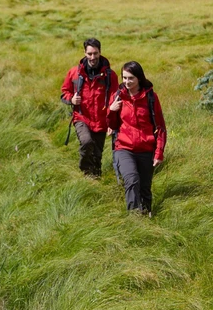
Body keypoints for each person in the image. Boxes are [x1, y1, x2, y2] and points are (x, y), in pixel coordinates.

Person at [107, 61, 167, 215]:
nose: (126, 82)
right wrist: (111, 110)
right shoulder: (118, 96)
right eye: (124, 78)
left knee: (145, 188)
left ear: (139, 78)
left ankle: (146, 216)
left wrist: (159, 152)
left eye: (130, 78)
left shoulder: (151, 98)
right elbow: (112, 125)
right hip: (124, 148)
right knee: (132, 180)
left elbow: (160, 127)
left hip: (146, 149)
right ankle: (134, 219)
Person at [61, 38, 119, 178]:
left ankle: (95, 178)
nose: (92, 57)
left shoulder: (110, 75)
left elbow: (114, 98)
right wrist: (72, 99)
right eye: (89, 54)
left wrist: (111, 119)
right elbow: (64, 93)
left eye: (95, 53)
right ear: (84, 53)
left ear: (100, 52)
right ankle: (85, 172)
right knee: (87, 142)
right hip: (82, 117)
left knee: (97, 153)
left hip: (101, 120)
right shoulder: (74, 73)